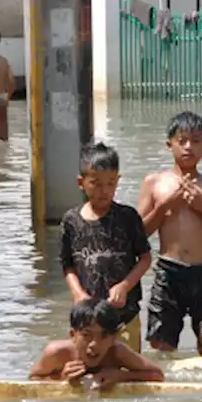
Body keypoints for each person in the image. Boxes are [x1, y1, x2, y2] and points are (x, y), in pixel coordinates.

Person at [137, 111, 202, 352]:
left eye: (196, 141)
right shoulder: (154, 183)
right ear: (169, 145)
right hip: (169, 271)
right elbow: (137, 235)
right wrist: (164, 207)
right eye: (182, 141)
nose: (188, 147)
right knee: (161, 343)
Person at [60, 143, 152, 351]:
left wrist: (125, 286)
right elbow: (68, 265)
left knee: (129, 369)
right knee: (87, 369)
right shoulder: (71, 221)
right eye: (96, 183)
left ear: (118, 181)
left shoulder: (127, 217)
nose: (104, 191)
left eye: (111, 183)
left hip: (124, 316)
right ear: (81, 182)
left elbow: (145, 258)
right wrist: (78, 294)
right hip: (87, 320)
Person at [30, 299, 165, 388]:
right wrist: (61, 380)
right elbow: (33, 379)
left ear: (114, 337)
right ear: (73, 335)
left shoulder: (117, 352)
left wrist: (121, 376)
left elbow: (157, 375)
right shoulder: (57, 353)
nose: (94, 344)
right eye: (87, 335)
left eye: (104, 335)